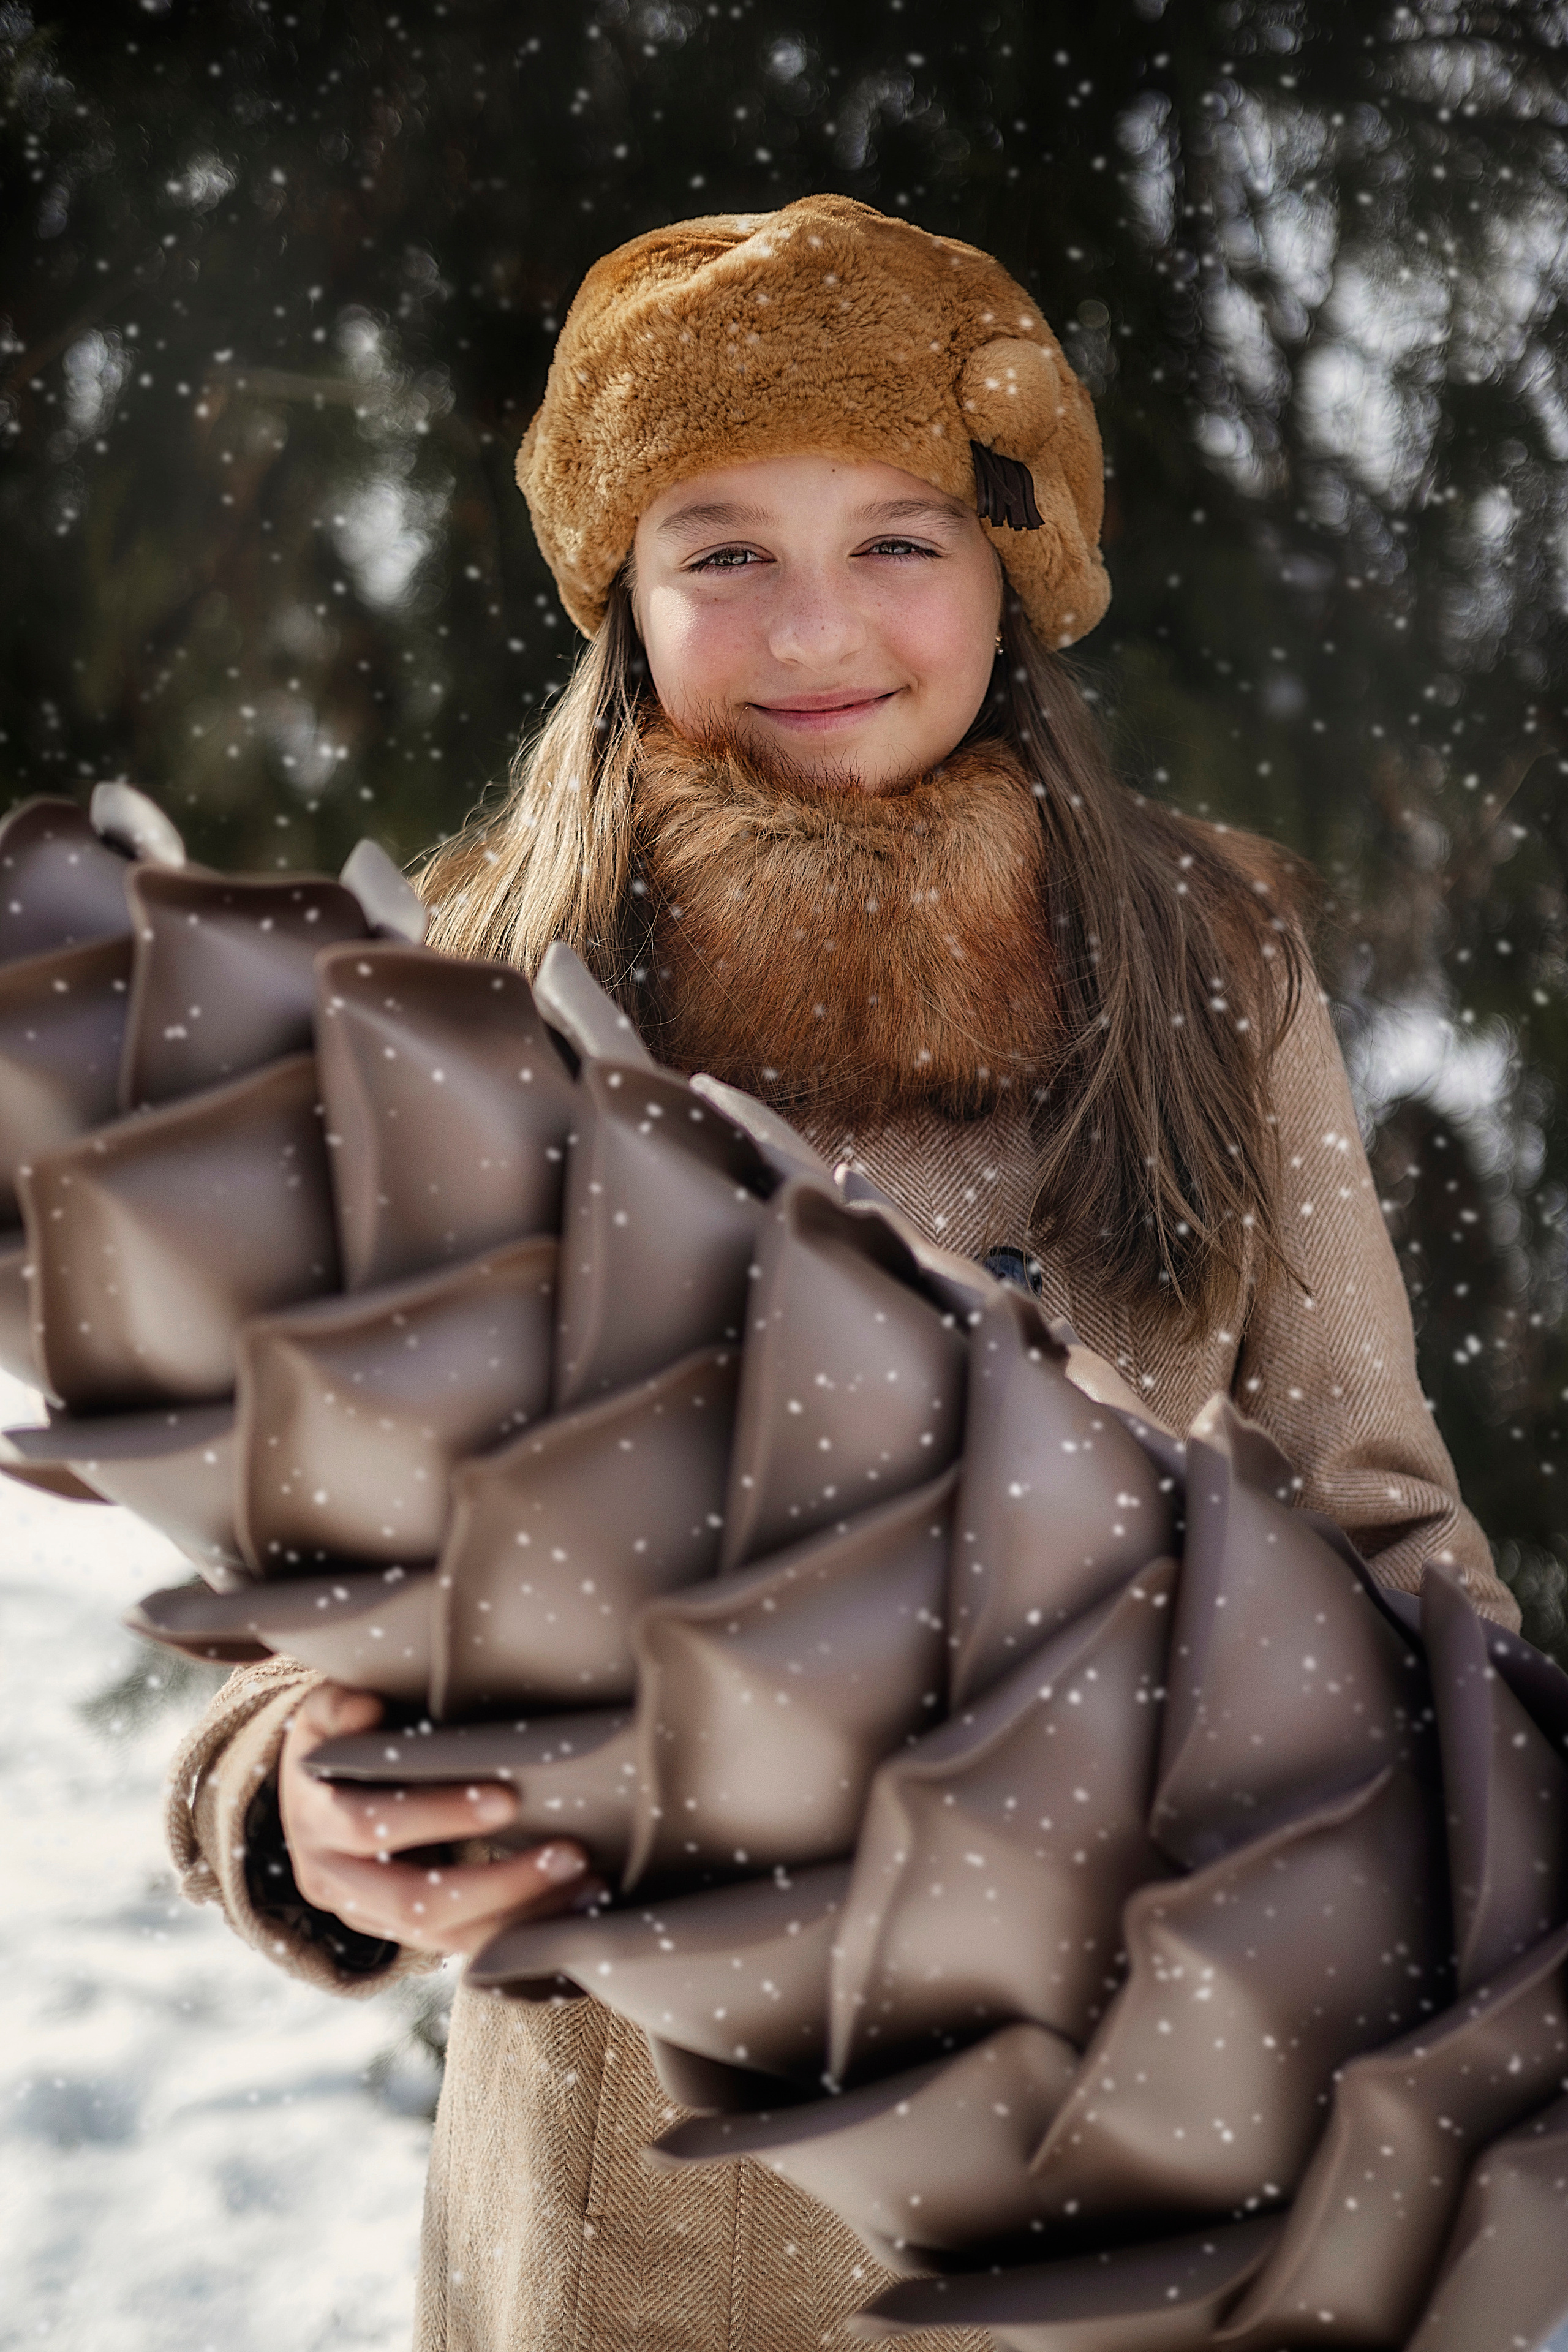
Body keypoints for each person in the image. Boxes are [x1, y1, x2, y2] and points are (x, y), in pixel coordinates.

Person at [165, 194, 1517, 2352]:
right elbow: (291, 1597)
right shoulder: (459, 996)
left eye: (900, 537)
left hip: (1129, 2169)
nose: (817, 627)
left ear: (1012, 574)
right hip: (629, 2222)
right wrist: (288, 1803)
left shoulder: (1212, 971)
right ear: (624, 589)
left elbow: (1381, 1527)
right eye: (724, 550)